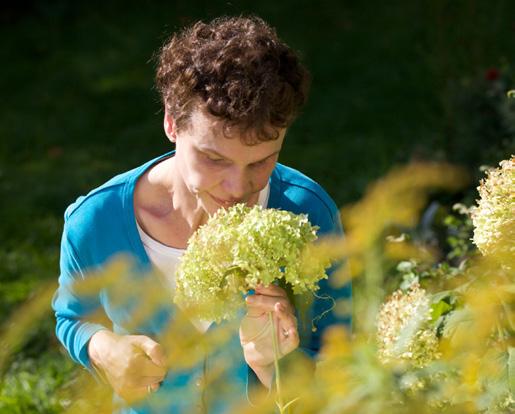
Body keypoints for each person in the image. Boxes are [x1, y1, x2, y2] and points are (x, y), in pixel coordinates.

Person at [52, 15, 351, 414]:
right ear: (172, 124)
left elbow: (342, 371)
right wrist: (103, 349)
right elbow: (72, 318)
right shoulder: (95, 223)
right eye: (213, 159)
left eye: (261, 161)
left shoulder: (309, 215)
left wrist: (276, 367)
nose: (238, 188)